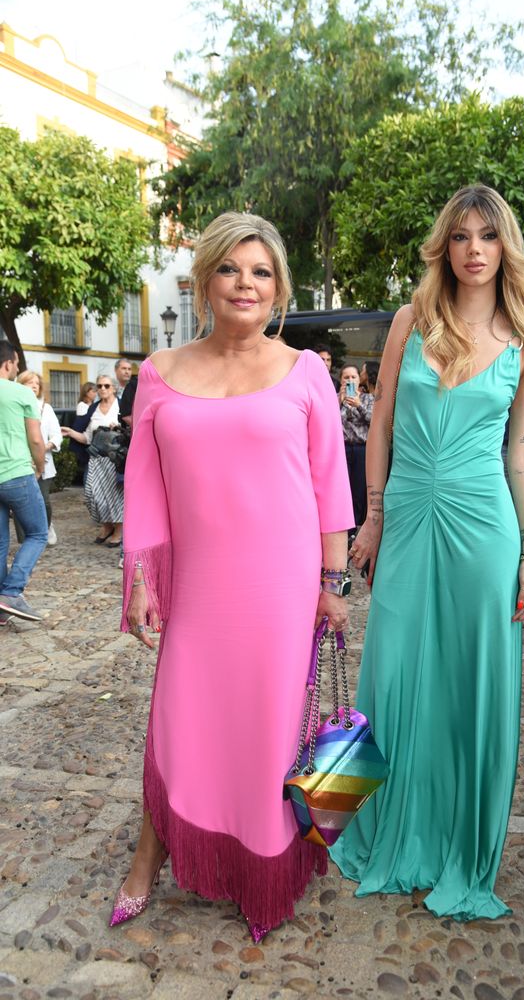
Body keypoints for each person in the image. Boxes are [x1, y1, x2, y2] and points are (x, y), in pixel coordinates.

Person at [110, 213, 353, 941]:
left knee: (266, 731)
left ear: (277, 288)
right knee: (177, 722)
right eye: (229, 269)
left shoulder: (305, 371)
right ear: (205, 280)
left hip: (280, 590)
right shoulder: (159, 373)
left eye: (261, 272)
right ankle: (148, 860)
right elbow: (144, 482)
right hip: (198, 586)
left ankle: (260, 871)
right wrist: (141, 581)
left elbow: (328, 485)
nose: (244, 283)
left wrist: (332, 585)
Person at [332, 184, 524, 920]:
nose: (473, 250)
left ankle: (461, 843)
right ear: (444, 246)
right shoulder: (410, 319)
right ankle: (368, 823)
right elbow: (383, 424)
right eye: (460, 236)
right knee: (390, 670)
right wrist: (373, 516)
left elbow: (521, 449)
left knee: (470, 681)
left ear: (503, 247)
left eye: (487, 237)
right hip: (408, 518)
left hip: (483, 524)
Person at [0, 342, 48, 623]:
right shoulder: (20, 393)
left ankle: (1, 605)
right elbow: (35, 439)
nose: (18, 368)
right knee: (38, 533)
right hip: (17, 474)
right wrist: (40, 467)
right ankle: (11, 592)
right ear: (8, 364)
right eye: (16, 363)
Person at [61, 375, 123, 546]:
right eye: (99, 386)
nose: (102, 389)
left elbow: (131, 429)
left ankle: (118, 530)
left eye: (106, 385)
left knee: (115, 496)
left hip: (115, 460)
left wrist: (118, 428)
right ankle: (107, 525)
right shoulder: (93, 409)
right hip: (96, 459)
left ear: (114, 388)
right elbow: (86, 437)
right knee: (92, 496)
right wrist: (71, 432)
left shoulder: (121, 406)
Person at [15, 371, 62, 546]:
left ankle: (46, 527)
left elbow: (56, 435)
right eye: (29, 383)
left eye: (37, 383)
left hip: (44, 462)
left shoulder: (45, 408)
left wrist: (45, 447)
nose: (34, 386)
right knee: (21, 503)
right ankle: (25, 541)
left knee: (43, 500)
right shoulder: (15, 406)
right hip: (21, 462)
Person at [339, 364, 375, 530]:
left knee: (360, 489)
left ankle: (358, 526)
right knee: (343, 489)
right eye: (346, 377)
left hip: (362, 449)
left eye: (353, 377)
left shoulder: (368, 399)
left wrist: (358, 404)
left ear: (359, 380)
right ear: (341, 380)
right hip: (343, 448)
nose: (350, 380)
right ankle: (345, 527)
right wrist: (342, 403)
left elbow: (372, 420)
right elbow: (332, 423)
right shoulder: (335, 398)